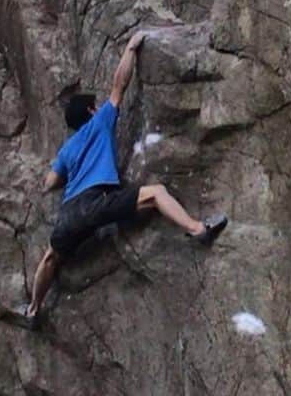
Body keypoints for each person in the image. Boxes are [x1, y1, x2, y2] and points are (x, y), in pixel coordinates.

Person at [24, 30, 227, 322]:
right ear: (92, 111)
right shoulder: (100, 121)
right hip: (97, 201)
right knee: (156, 193)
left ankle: (33, 309)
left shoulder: (67, 149)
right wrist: (131, 48)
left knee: (50, 257)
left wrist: (64, 172)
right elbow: (119, 84)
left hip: (70, 211)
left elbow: (50, 183)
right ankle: (197, 229)